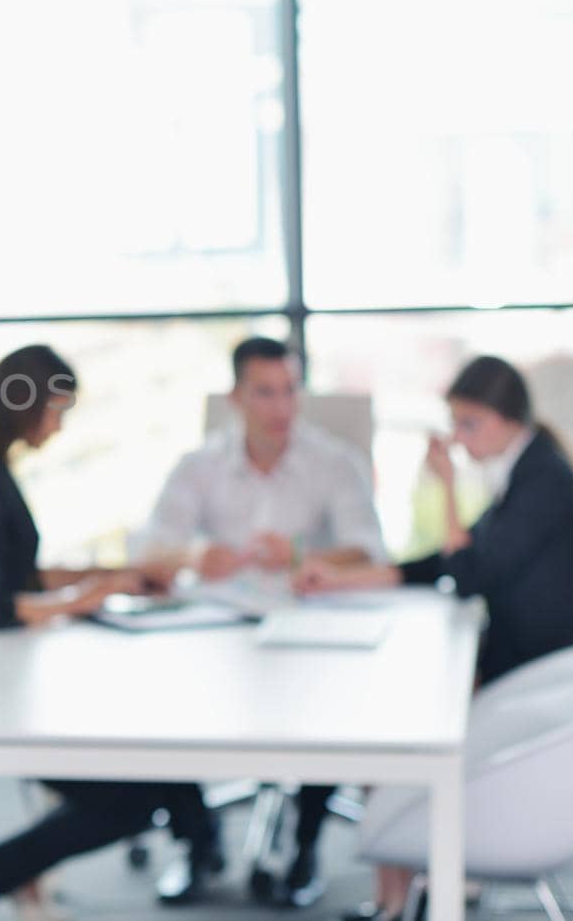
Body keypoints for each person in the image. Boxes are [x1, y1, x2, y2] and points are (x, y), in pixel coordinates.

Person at [294, 354, 573, 921]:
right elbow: (450, 560)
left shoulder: (541, 481)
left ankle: (407, 888)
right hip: (531, 666)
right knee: (397, 717)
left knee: (399, 724)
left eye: (470, 425)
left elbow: (469, 574)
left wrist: (444, 488)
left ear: (509, 418)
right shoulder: (528, 468)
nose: (459, 441)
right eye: (456, 425)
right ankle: (397, 896)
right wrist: (350, 578)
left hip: (542, 681)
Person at [0, 344, 196, 920]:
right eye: (58, 410)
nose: (61, 425)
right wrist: (87, 597)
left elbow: (21, 575)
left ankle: (24, 877)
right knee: (130, 799)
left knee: (141, 760)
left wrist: (113, 578)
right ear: (26, 405)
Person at [133, 336, 388, 908]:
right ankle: (199, 841)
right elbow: (150, 548)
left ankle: (304, 847)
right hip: (216, 631)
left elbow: (369, 550)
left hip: (310, 630)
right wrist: (197, 555)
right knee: (156, 703)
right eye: (266, 393)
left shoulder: (333, 461)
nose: (282, 408)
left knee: (328, 706)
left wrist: (303, 556)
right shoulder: (199, 466)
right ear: (236, 398)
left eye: (291, 392)